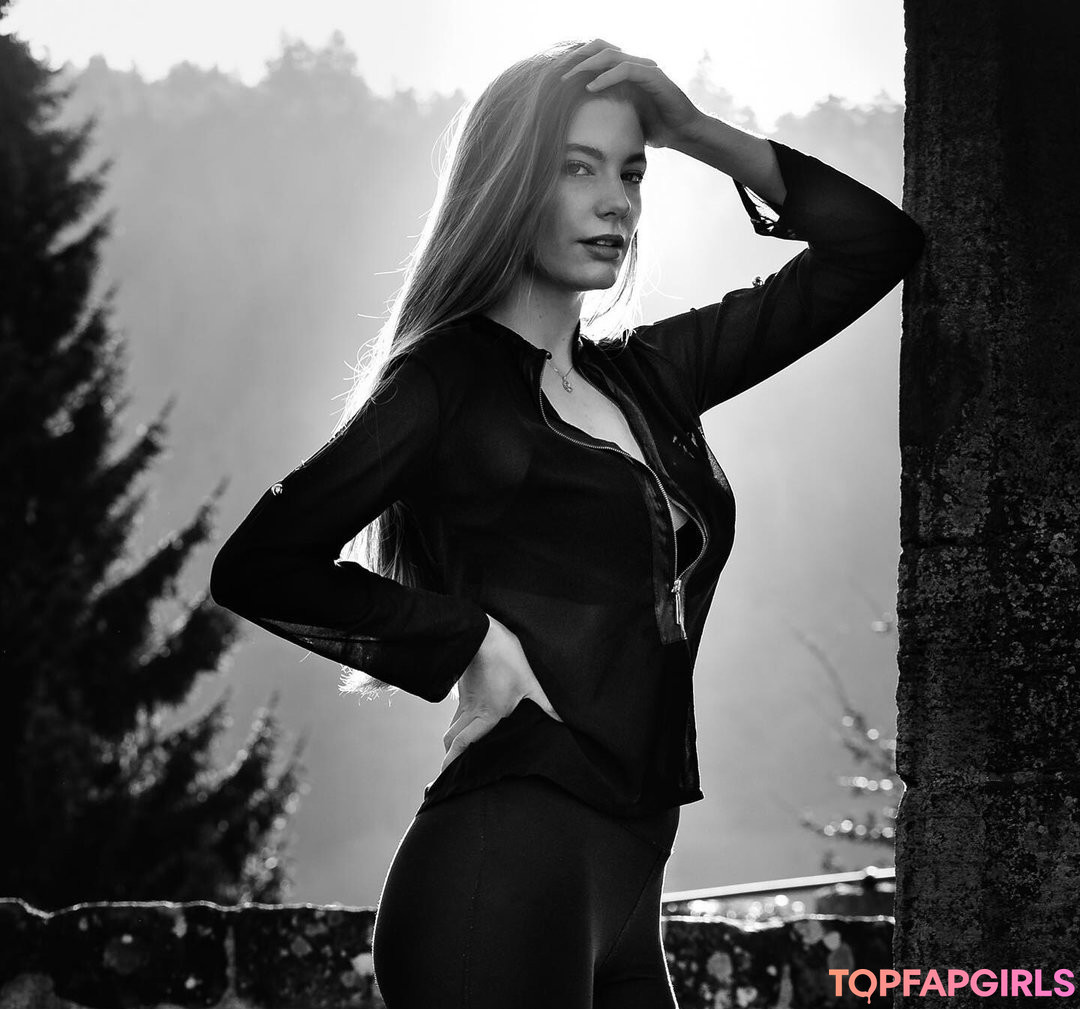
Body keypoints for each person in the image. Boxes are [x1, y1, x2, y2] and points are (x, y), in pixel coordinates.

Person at [209, 37, 925, 1009]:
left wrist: (694, 130)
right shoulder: (447, 380)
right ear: (510, 183)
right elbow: (262, 563)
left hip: (630, 886)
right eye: (579, 168)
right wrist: (471, 639)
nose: (617, 201)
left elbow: (875, 246)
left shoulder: (648, 379)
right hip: (497, 874)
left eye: (631, 172)